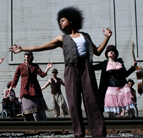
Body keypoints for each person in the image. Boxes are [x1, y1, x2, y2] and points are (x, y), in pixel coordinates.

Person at [9, 6, 112, 137]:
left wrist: (106, 38)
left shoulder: (85, 36)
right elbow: (41, 47)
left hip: (87, 69)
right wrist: (22, 48)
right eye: (59, 21)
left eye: (63, 20)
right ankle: (79, 134)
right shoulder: (62, 39)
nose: (60, 23)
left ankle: (98, 134)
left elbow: (97, 52)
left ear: (71, 20)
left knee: (92, 101)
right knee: (74, 104)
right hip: (71, 71)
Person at [93, 45, 136, 119]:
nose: (111, 52)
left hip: (123, 86)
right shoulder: (104, 64)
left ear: (115, 53)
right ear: (106, 54)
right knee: (110, 102)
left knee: (128, 101)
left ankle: (132, 117)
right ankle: (110, 119)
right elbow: (92, 67)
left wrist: (133, 67)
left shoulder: (120, 63)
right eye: (109, 51)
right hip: (111, 87)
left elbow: (125, 74)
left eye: (113, 50)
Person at [8, 52, 53, 121]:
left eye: (29, 55)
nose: (27, 56)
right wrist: (10, 88)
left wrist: (47, 68)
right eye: (26, 55)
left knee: (37, 111)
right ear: (24, 56)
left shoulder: (35, 66)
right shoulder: (20, 67)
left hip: (35, 90)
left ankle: (41, 125)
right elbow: (15, 78)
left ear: (31, 56)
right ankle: (29, 126)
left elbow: (42, 74)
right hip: (25, 91)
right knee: (27, 111)